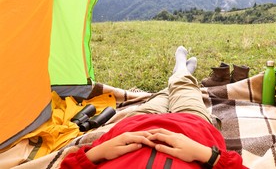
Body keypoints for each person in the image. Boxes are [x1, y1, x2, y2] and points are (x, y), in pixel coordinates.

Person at [61, 46, 248, 169]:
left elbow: (67, 166)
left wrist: (97, 153)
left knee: (161, 96)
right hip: (193, 127)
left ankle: (179, 74)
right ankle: (181, 73)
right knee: (186, 90)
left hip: (134, 125)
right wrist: (207, 154)